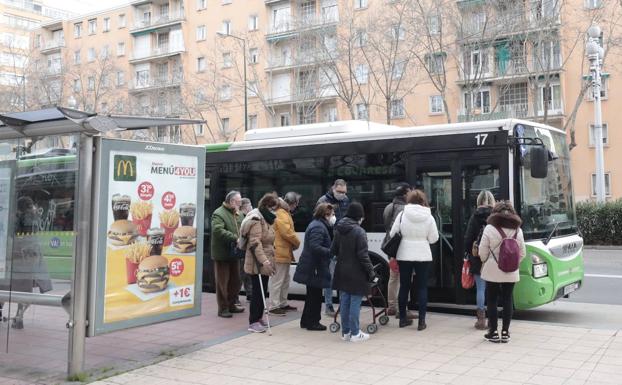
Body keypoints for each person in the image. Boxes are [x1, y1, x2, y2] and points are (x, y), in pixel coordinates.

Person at [0, 196, 53, 329]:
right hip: (27, 259)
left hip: (16, 258)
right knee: (24, 291)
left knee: (5, 287)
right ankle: (19, 316)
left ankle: (5, 313)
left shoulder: (15, 218)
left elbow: (10, 236)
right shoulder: (33, 218)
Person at [390, 190, 439, 330]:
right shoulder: (429, 216)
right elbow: (434, 238)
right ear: (423, 200)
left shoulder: (402, 214)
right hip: (423, 255)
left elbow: (393, 233)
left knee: (404, 286)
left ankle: (403, 320)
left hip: (404, 254)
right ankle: (422, 322)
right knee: (422, 286)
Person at [478, 201, 526, 343]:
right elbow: (522, 253)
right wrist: (512, 264)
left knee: (492, 300)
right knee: (507, 299)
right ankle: (505, 332)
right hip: (511, 271)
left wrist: (487, 260)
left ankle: (493, 332)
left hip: (492, 270)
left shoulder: (490, 228)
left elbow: (482, 251)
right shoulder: (518, 230)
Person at [331, 202, 376, 342]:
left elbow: (333, 250)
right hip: (356, 272)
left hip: (342, 270)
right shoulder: (359, 231)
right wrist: (371, 272)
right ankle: (356, 333)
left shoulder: (339, 229)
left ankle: (346, 333)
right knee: (355, 302)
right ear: (359, 217)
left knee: (344, 302)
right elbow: (363, 255)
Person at [294, 203, 335, 331]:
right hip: (314, 266)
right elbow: (315, 247)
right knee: (315, 296)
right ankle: (313, 322)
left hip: (313, 265)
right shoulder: (318, 227)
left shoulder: (317, 224)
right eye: (332, 214)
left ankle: (306, 321)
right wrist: (331, 252)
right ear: (325, 214)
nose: (334, 217)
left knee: (312, 295)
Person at [242, 193, 279, 333]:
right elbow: (255, 243)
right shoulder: (257, 219)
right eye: (273, 208)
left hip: (265, 259)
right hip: (257, 261)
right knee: (258, 291)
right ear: (267, 206)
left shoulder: (267, 219)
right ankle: (253, 321)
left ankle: (258, 317)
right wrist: (264, 261)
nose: (274, 211)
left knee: (263, 289)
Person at [316, 179, 350, 316]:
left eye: (344, 192)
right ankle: (329, 306)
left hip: (342, 242)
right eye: (340, 192)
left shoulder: (345, 200)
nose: (342, 194)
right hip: (329, 242)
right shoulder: (323, 200)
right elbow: (318, 220)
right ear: (333, 188)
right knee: (329, 276)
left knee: (341, 276)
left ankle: (343, 305)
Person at [382, 182, 416, 319]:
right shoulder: (406, 209)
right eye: (410, 192)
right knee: (405, 278)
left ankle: (391, 307)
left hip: (391, 246)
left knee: (393, 277)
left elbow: (386, 226)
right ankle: (403, 309)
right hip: (402, 247)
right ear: (404, 194)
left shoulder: (389, 207)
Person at [464, 190, 496, 330]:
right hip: (493, 257)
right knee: (492, 289)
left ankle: (481, 320)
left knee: (481, 289)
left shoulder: (474, 216)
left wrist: (468, 252)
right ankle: (492, 318)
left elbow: (468, 239)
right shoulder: (496, 216)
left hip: (477, 257)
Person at [210, 190, 245, 318]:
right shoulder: (218, 213)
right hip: (222, 254)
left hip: (234, 254)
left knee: (235, 281)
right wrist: (235, 238)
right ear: (231, 202)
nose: (240, 204)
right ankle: (223, 308)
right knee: (222, 283)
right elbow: (218, 230)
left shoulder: (239, 214)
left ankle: (231, 304)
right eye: (239, 202)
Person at [269, 192, 301, 316]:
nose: (296, 207)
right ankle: (274, 306)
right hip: (280, 251)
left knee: (284, 279)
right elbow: (286, 232)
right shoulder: (282, 213)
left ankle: (282, 302)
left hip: (283, 251)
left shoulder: (283, 212)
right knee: (278, 280)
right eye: (296, 204)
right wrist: (297, 242)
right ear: (292, 203)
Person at [239, 197, 253, 302]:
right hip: (242, 249)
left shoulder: (247, 217)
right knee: (242, 273)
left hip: (246, 249)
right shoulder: (241, 217)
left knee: (247, 273)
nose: (252, 207)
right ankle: (235, 297)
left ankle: (250, 293)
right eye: (250, 205)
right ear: (245, 206)